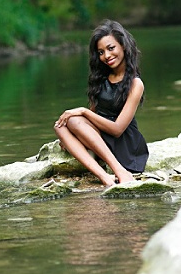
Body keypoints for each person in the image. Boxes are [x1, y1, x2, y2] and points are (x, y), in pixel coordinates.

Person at [54, 19, 149, 187]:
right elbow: (93, 116)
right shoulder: (101, 78)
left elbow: (118, 129)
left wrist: (83, 111)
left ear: (123, 46)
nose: (106, 56)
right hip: (101, 137)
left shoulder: (135, 84)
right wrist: (74, 135)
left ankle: (120, 171)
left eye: (111, 48)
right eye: (101, 52)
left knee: (75, 118)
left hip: (124, 142)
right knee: (60, 125)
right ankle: (104, 176)